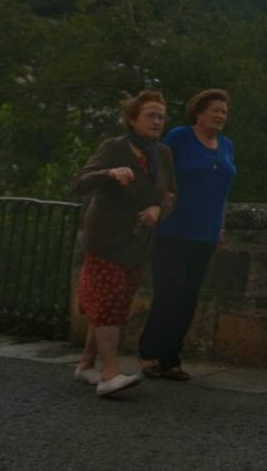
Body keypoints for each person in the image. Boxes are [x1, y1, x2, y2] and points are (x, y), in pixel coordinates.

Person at [73, 91, 177, 397]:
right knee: (107, 304)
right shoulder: (115, 148)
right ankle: (109, 374)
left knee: (116, 304)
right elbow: (80, 182)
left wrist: (160, 210)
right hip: (107, 238)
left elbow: (170, 194)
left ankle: (85, 366)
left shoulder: (164, 154)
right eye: (150, 115)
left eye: (161, 116)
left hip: (138, 243)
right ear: (132, 119)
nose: (157, 121)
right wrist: (108, 173)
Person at [138, 88, 237, 381]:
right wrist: (160, 200)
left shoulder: (226, 145)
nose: (221, 116)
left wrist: (219, 226)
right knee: (169, 292)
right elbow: (158, 170)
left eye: (224, 112)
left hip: (204, 232)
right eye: (215, 110)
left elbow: (222, 191)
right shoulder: (180, 137)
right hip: (174, 227)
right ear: (199, 112)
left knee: (188, 297)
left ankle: (171, 359)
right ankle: (149, 354)